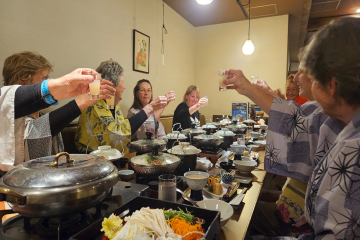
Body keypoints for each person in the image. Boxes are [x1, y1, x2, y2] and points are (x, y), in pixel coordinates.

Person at [223, 17, 360, 239]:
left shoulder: (355, 153)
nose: (298, 79)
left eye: (313, 78)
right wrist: (246, 87)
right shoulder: (338, 120)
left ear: (332, 85)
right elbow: (296, 122)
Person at [0, 65, 114, 172]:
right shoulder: (9, 123)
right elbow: (34, 133)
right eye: (44, 78)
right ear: (23, 83)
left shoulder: (42, 116)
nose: (50, 81)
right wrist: (82, 100)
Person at [75, 60, 168, 154]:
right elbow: (117, 133)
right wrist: (150, 107)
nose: (124, 87)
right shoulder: (94, 105)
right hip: (92, 162)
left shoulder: (114, 107)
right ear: (111, 85)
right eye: (122, 82)